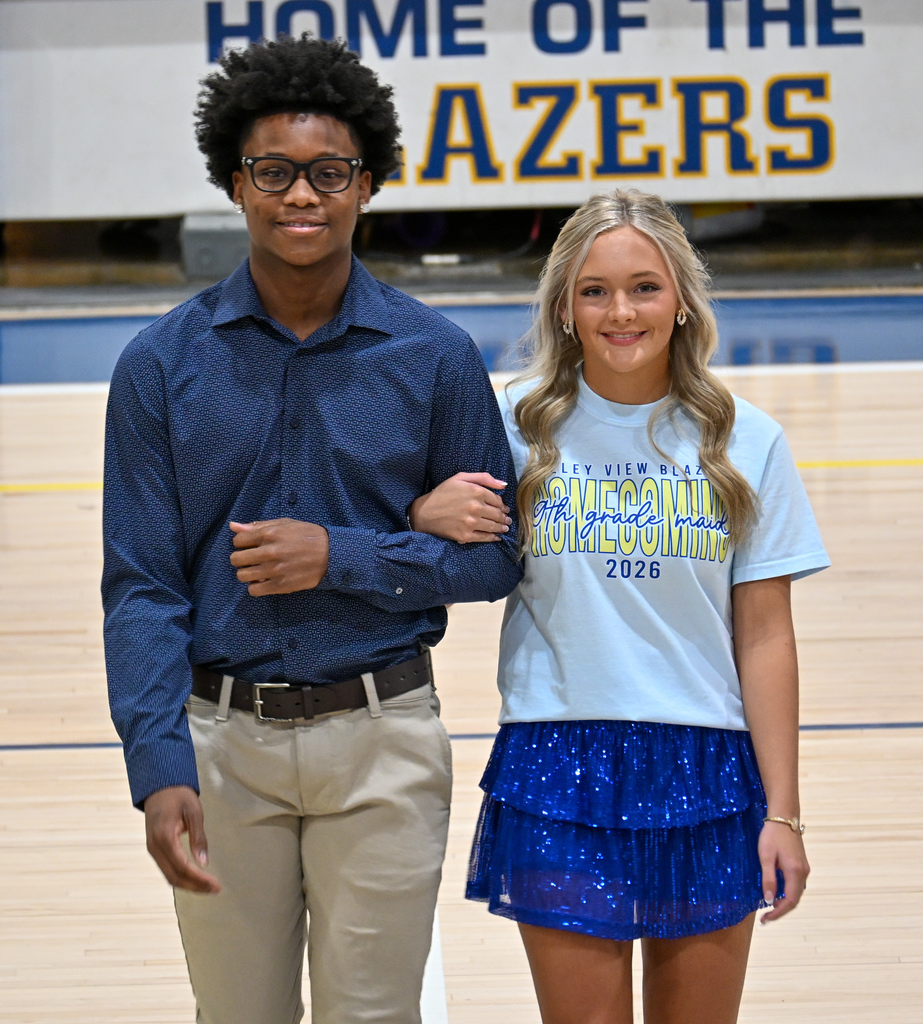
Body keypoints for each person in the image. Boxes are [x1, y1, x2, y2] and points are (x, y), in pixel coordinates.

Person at [101, 35, 521, 1024]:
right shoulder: (158, 366)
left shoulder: (435, 355)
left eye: (329, 173)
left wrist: (343, 553)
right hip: (219, 743)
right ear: (234, 183)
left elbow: (497, 557)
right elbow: (143, 589)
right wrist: (157, 764)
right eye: (274, 172)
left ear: (366, 185)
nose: (302, 195)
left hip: (384, 738)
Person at [409, 189, 829, 1024]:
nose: (621, 312)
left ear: (682, 301)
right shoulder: (512, 426)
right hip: (556, 760)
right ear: (564, 307)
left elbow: (765, 639)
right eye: (595, 291)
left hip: (707, 766)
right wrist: (423, 512)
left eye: (645, 288)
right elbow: (440, 532)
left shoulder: (749, 440)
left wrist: (784, 812)